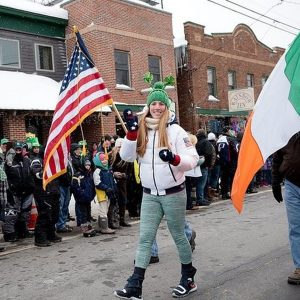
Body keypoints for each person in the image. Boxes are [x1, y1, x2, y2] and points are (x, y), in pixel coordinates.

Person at [114, 78, 199, 299]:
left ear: (167, 106)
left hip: (173, 194)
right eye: (154, 104)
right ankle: (135, 285)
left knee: (179, 236)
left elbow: (193, 158)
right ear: (149, 106)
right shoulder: (142, 128)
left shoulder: (176, 131)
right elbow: (126, 156)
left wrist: (174, 158)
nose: (157, 107)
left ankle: (188, 278)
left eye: (161, 104)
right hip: (149, 195)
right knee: (145, 239)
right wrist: (131, 136)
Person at [272, 131, 300, 285]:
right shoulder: (287, 131)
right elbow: (277, 159)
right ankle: (299, 267)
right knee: (295, 228)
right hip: (291, 184)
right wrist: (275, 182)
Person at [30, 142, 62, 247]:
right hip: (43, 192)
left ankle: (51, 233)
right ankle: (40, 237)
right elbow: (37, 174)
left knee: (54, 214)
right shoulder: (37, 160)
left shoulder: (55, 161)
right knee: (45, 214)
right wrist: (46, 170)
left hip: (54, 190)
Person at [71, 159, 97, 237]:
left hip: (88, 198)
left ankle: (89, 225)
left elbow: (92, 186)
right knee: (83, 213)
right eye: (86, 165)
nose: (87, 167)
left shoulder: (90, 174)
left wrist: (92, 194)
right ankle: (84, 227)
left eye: (89, 165)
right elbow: (75, 187)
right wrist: (81, 194)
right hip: (81, 198)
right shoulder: (77, 175)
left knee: (88, 212)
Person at [93, 151, 116, 234]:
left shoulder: (108, 170)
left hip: (108, 192)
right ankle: (104, 228)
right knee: (103, 210)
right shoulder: (98, 171)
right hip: (102, 193)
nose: (105, 161)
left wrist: (113, 189)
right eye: (102, 160)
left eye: (105, 159)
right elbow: (97, 183)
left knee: (105, 209)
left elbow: (113, 181)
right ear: (98, 161)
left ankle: (101, 226)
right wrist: (106, 188)